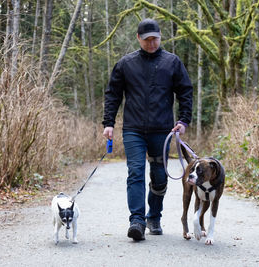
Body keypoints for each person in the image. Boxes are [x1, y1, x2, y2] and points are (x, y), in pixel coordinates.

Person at [102, 18, 193, 241]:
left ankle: (154, 215)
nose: (152, 43)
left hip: (162, 130)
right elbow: (113, 94)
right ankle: (137, 221)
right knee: (135, 172)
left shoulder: (172, 62)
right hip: (133, 128)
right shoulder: (126, 64)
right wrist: (109, 123)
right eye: (147, 40)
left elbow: (185, 92)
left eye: (155, 39)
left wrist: (183, 121)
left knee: (160, 177)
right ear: (139, 39)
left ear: (160, 37)